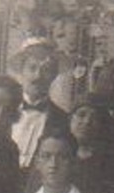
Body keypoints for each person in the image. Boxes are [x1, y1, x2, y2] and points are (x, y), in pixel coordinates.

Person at [9, 36, 71, 170]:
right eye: (32, 68)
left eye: (46, 70)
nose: (38, 76)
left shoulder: (62, 119)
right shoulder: (5, 111)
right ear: (22, 71)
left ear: (54, 76)